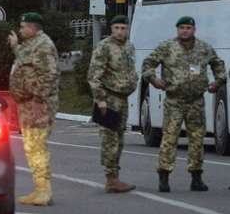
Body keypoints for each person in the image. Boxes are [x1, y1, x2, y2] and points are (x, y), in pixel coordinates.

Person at [142, 16, 226, 192]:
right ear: (177, 30)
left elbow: (218, 65)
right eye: (182, 28)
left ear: (194, 30)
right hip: (174, 101)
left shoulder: (204, 48)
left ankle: (196, 177)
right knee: (169, 138)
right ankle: (164, 176)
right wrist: (154, 80)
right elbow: (148, 63)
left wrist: (217, 82)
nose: (185, 31)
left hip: (196, 101)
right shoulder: (167, 47)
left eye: (188, 28)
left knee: (197, 140)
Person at [8, 12, 59, 206]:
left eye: (23, 27)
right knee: (31, 146)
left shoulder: (43, 45)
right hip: (28, 104)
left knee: (37, 146)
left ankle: (44, 191)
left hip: (38, 105)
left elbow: (49, 75)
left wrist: (38, 100)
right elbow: (26, 61)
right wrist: (15, 47)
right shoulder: (32, 44)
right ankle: (39, 188)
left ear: (32, 27)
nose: (21, 30)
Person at [87, 15, 138, 193]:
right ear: (111, 29)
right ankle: (111, 179)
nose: (120, 32)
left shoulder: (129, 46)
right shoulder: (104, 47)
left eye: (123, 28)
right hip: (108, 99)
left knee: (120, 139)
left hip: (122, 99)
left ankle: (115, 176)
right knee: (110, 140)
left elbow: (130, 70)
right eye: (116, 28)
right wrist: (100, 99)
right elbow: (94, 75)